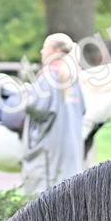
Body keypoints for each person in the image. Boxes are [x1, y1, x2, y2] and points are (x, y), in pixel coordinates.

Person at [18, 32, 86, 195]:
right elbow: (82, 109)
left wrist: (26, 94)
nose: (42, 51)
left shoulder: (49, 75)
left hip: (50, 152)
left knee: (45, 199)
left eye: (45, 47)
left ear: (54, 50)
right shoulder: (73, 75)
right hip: (71, 149)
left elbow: (39, 109)